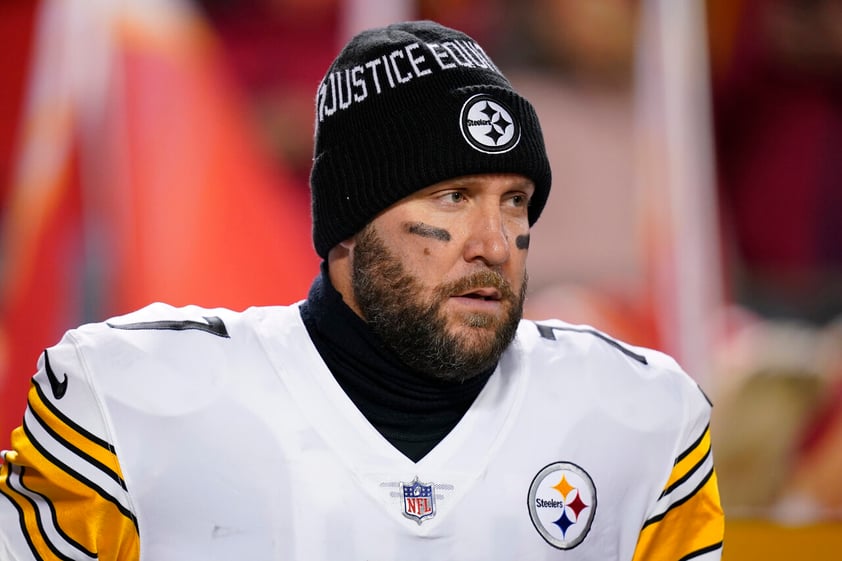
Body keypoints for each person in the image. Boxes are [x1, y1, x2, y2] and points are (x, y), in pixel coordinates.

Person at [0, 20, 724, 560]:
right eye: (451, 196)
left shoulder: (637, 418)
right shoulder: (130, 398)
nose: (494, 242)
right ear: (349, 223)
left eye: (515, 200)